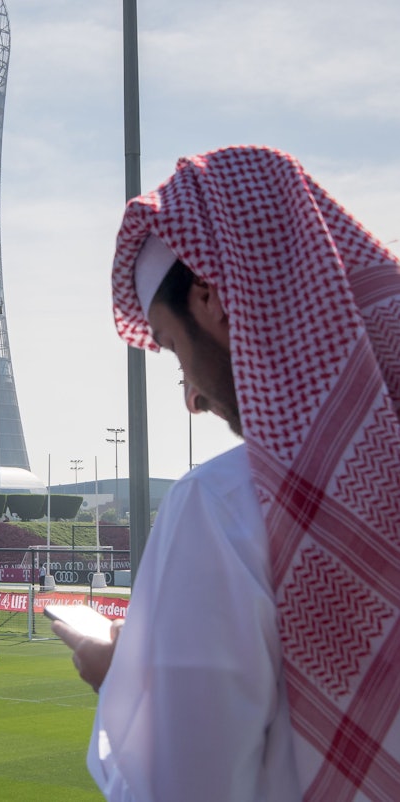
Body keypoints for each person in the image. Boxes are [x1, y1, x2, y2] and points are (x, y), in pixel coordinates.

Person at [53, 145, 400, 801]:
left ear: (212, 300)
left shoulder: (224, 507)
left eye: (175, 351)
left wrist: (125, 685)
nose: (190, 396)